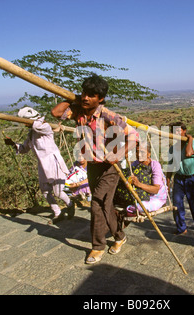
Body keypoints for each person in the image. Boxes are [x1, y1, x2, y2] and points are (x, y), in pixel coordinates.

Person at [51, 74, 138, 264]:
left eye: (91, 95)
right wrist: (70, 97)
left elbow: (133, 135)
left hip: (110, 167)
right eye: (84, 93)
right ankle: (120, 236)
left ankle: (97, 247)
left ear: (101, 99)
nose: (86, 98)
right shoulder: (78, 112)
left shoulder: (107, 116)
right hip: (92, 166)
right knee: (105, 206)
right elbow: (56, 113)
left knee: (97, 204)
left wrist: (119, 152)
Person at [4, 107, 75, 221]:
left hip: (53, 162)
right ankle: (57, 212)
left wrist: (33, 121)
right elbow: (23, 149)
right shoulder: (31, 134)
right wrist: (12, 144)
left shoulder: (45, 127)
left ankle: (70, 204)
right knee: (45, 191)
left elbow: (38, 126)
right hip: (42, 165)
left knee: (57, 192)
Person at [166, 122, 194, 235]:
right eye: (174, 131)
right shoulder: (172, 149)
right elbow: (170, 166)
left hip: (192, 179)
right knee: (177, 204)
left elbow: (188, 153)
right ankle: (181, 228)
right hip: (178, 179)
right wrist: (167, 183)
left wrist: (190, 139)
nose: (177, 133)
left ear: (184, 131)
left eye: (179, 130)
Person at [116, 144, 168, 216]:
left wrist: (138, 184)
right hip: (142, 195)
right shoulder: (135, 164)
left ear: (148, 154)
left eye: (142, 152)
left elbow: (156, 190)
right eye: (137, 152)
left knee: (139, 206)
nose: (139, 154)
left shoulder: (155, 165)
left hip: (155, 197)